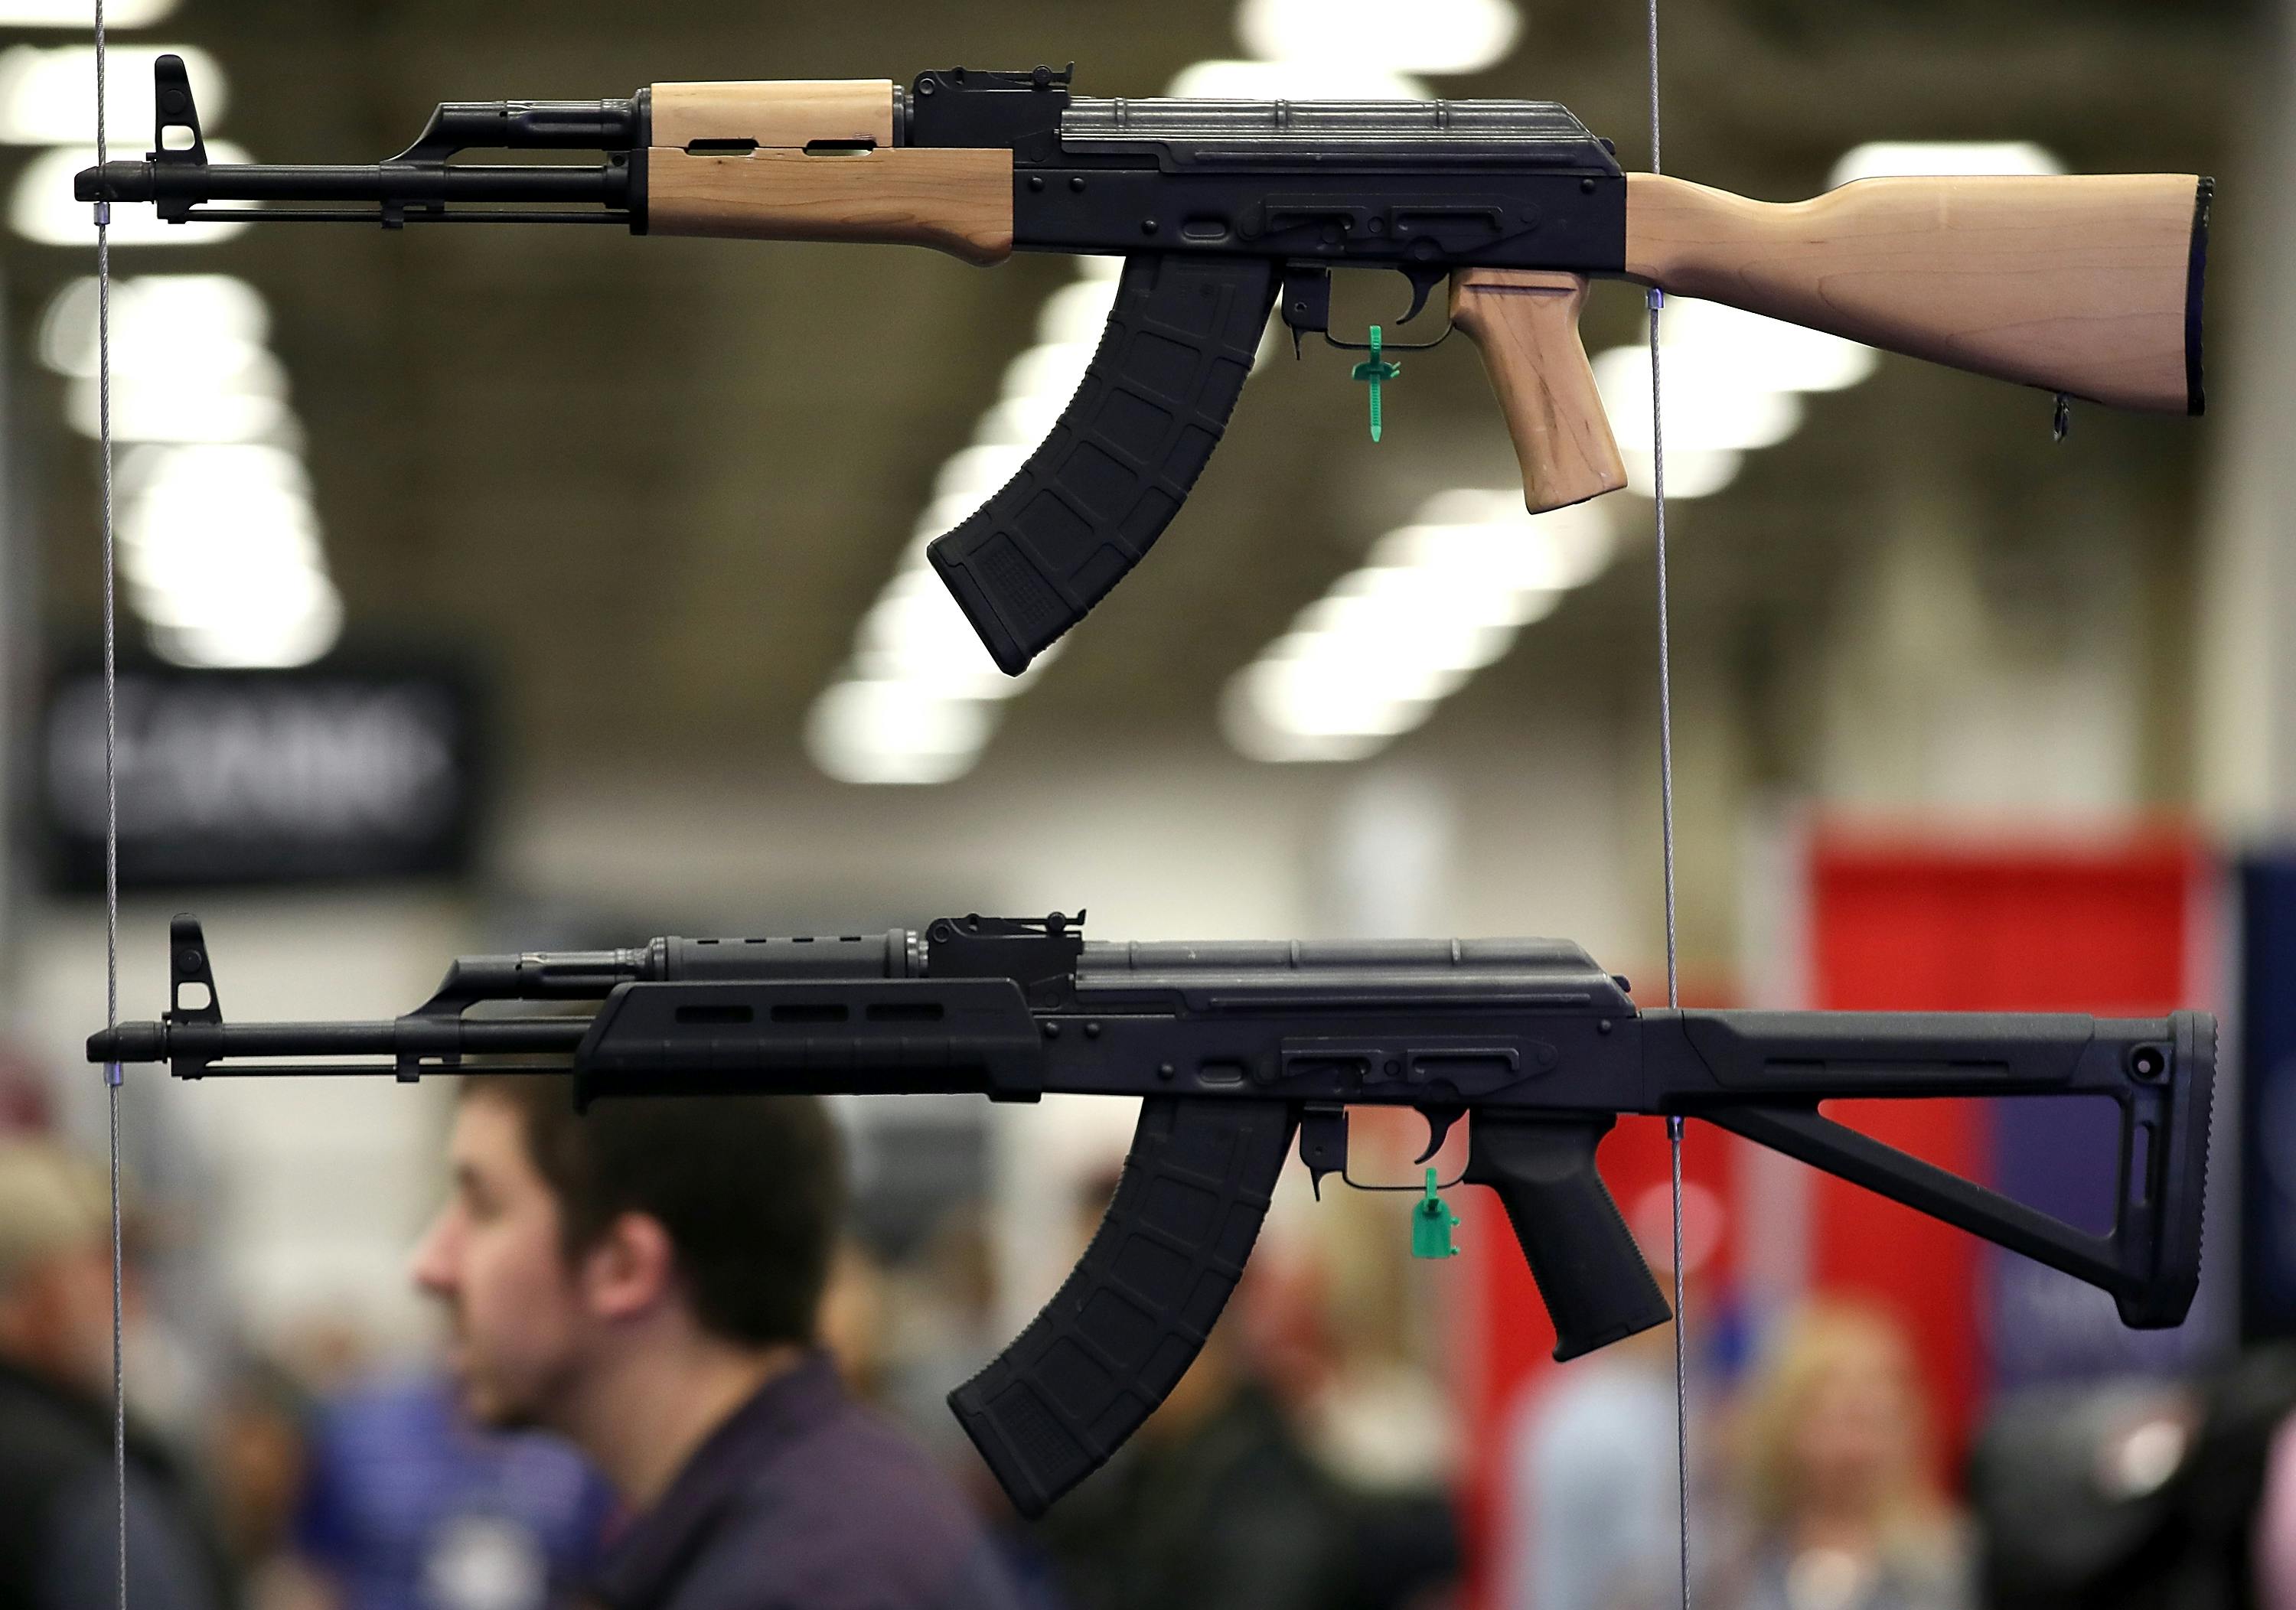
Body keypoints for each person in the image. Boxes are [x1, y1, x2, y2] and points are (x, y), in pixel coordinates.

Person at [409, 1076, 1021, 1610]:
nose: (431, 1266)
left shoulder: (809, 1582)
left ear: (624, 1267)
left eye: (483, 1207)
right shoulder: (804, 1522)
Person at [0, 1139, 230, 1610]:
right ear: (16, 1287)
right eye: (110, 1260)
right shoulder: (79, 1487)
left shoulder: (83, 1448)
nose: (135, 1290)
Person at [1714, 1302, 1971, 1610]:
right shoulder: (1729, 1565)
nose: (1855, 1438)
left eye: (1871, 1413)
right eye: (1835, 1410)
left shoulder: (1953, 1560)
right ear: (1783, 1420)